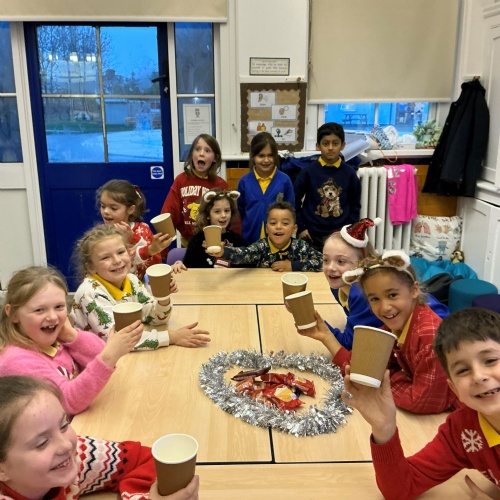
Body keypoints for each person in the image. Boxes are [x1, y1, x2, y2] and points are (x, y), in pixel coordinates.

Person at [343, 308, 500, 500]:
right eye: (462, 370)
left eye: (490, 360)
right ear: (454, 389)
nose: (479, 376)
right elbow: (401, 488)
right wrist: (384, 428)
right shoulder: (463, 430)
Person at [296, 250, 458, 414]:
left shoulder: (429, 337)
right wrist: (326, 336)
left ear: (414, 290)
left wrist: (380, 379)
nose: (385, 307)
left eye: (392, 295)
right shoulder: (394, 326)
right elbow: (361, 367)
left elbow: (421, 401)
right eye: (374, 299)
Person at [0, 375, 199, 500]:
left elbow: (144, 459)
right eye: (42, 443)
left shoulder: (73, 458)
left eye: (64, 425)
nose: (65, 445)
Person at [0, 266, 142, 415]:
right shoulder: (16, 361)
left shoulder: (54, 340)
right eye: (39, 310)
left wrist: (72, 336)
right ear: (13, 314)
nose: (52, 317)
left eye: (59, 307)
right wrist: (109, 356)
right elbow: (67, 401)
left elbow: (97, 362)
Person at [70, 224, 210, 349]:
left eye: (121, 252)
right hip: (92, 362)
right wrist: (172, 337)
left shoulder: (131, 280)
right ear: (91, 267)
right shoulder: (89, 293)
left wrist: (163, 298)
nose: (117, 260)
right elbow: (118, 341)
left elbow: (154, 319)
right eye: (105, 257)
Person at [322, 218, 449, 350]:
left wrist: (318, 325)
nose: (331, 267)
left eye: (341, 261)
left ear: (362, 262)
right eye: (325, 260)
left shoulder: (360, 292)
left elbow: (352, 345)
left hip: (439, 336)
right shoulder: (338, 286)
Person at [294, 122, 361, 251]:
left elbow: (355, 206)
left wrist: (350, 230)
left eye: (335, 143)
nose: (330, 148)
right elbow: (294, 201)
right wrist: (301, 227)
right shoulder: (307, 172)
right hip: (311, 234)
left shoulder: (350, 174)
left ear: (342, 145)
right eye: (325, 144)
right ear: (318, 146)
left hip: (340, 234)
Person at [209, 201, 322, 272]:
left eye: (285, 223)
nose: (278, 227)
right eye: (273, 223)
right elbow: (243, 254)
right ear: (267, 229)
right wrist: (224, 252)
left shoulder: (301, 246)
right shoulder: (261, 246)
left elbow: (323, 261)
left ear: (294, 229)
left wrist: (294, 266)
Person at [97, 179, 173, 281]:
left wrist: (134, 239)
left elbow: (154, 264)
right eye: (103, 206)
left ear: (130, 209)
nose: (106, 211)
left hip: (140, 286)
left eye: (113, 208)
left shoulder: (143, 229)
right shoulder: (100, 235)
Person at [161, 134, 228, 247]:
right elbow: (169, 212)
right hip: (187, 244)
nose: (201, 153)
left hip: (212, 244)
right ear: (192, 154)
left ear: (215, 158)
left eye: (207, 150)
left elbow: (229, 218)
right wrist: (163, 249)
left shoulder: (221, 185)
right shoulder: (181, 180)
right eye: (197, 149)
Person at [237, 132, 295, 245]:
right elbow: (241, 212)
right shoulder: (244, 182)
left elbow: (291, 212)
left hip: (278, 243)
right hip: (249, 241)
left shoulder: (284, 181)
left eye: (270, 155)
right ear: (253, 156)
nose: (266, 160)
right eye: (261, 156)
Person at [172, 189, 244, 272]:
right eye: (217, 211)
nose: (223, 215)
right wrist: (180, 265)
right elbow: (187, 267)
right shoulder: (197, 240)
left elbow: (246, 268)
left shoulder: (237, 240)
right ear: (207, 215)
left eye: (227, 211)